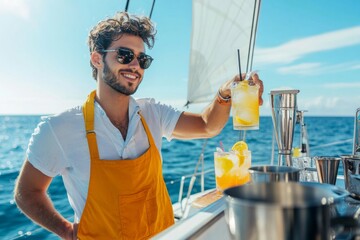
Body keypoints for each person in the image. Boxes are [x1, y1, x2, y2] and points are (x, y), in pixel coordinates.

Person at [14, 12, 263, 239]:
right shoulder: (59, 129)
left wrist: (225, 93)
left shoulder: (153, 113)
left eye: (142, 59)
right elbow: (27, 192)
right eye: (125, 55)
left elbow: (208, 126)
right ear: (97, 59)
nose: (135, 65)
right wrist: (65, 230)